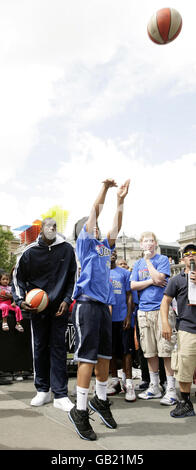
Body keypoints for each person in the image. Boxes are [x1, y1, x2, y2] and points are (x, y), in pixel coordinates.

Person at [68, 178, 130, 441]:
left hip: (104, 309)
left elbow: (116, 225)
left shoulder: (105, 250)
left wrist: (121, 201)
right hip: (86, 307)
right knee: (87, 358)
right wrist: (105, 188)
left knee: (105, 358)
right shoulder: (85, 245)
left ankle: (100, 401)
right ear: (84, 231)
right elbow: (94, 212)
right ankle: (80, 410)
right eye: (92, 226)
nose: (97, 228)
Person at [12, 217, 76, 412]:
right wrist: (21, 300)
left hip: (59, 307)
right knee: (39, 347)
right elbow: (18, 279)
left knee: (58, 348)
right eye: (48, 226)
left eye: (54, 226)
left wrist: (66, 300)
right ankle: (42, 390)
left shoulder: (67, 249)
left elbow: (73, 277)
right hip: (36, 308)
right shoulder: (29, 251)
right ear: (41, 229)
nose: (51, 229)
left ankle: (61, 394)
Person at [131, 231, 177, 405]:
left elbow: (160, 278)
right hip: (144, 311)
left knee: (166, 350)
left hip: (161, 310)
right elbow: (133, 285)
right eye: (145, 241)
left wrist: (148, 261)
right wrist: (151, 281)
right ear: (141, 244)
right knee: (149, 351)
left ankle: (171, 389)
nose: (148, 243)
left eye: (151, 240)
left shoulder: (162, 260)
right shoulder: (137, 264)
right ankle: (154, 386)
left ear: (155, 244)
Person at [161, 243, 196, 418]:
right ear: (182, 259)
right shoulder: (177, 280)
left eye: (194, 253)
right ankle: (185, 403)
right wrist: (166, 324)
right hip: (187, 328)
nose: (191, 256)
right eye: (187, 254)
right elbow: (165, 302)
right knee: (184, 366)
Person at [107, 249, 136, 402]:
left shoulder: (124, 273)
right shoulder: (102, 272)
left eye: (114, 251)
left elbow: (129, 294)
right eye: (109, 251)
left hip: (122, 316)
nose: (112, 253)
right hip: (107, 319)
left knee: (127, 350)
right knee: (110, 351)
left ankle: (129, 383)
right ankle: (115, 381)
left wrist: (128, 315)